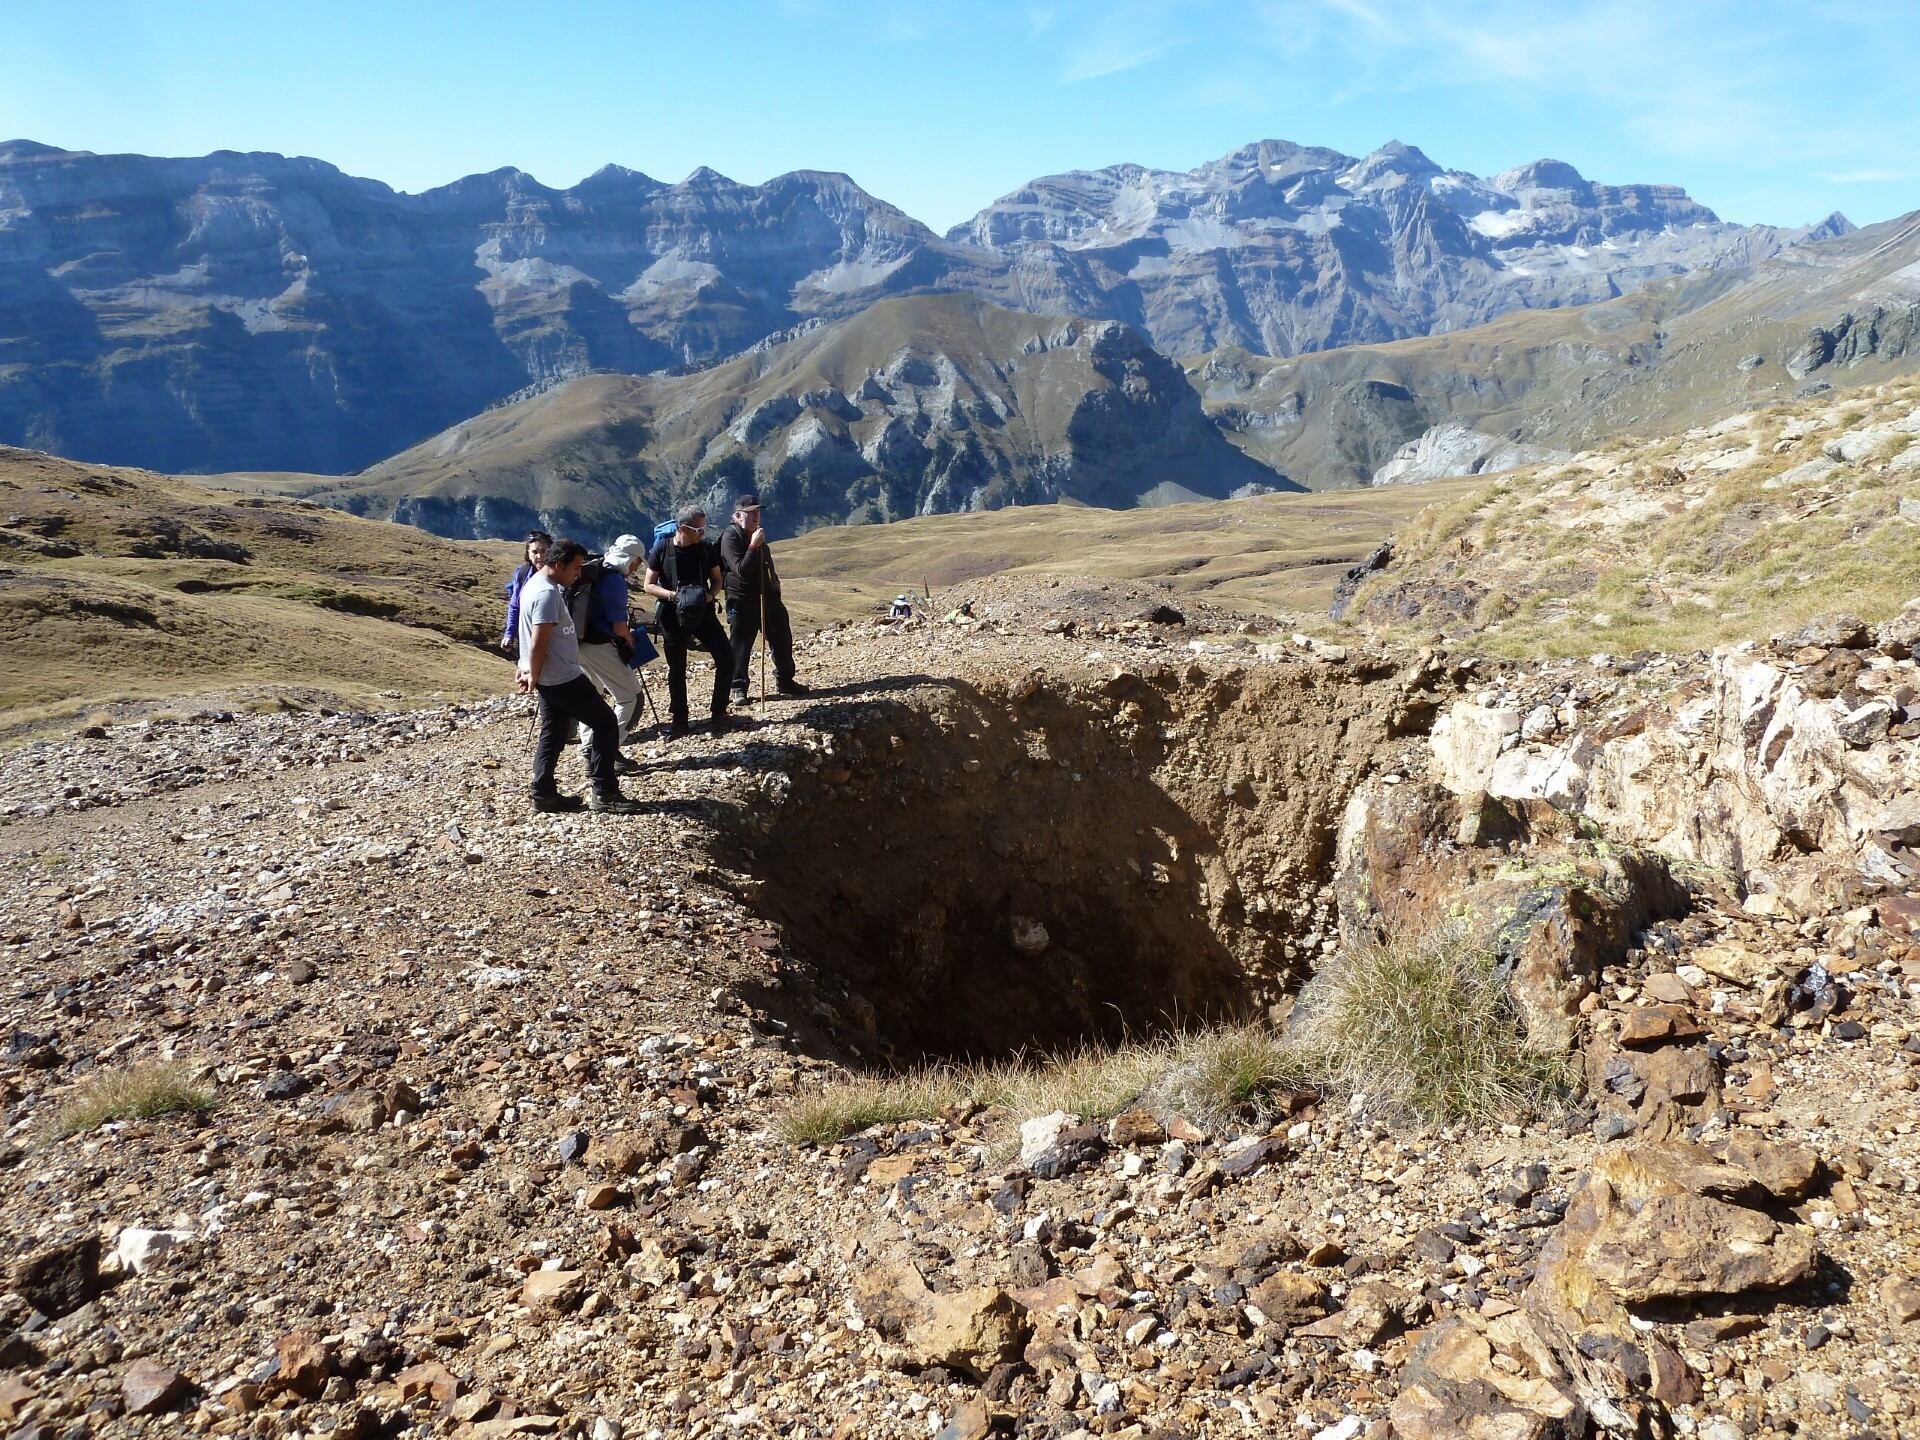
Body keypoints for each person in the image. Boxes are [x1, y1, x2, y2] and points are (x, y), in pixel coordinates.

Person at [516, 539, 640, 814]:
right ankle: (604, 792)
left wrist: (526, 667)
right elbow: (538, 639)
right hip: (562, 676)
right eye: (575, 567)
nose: (578, 573)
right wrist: (532, 674)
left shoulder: (534, 584)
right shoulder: (547, 594)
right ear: (558, 564)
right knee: (606, 724)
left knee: (554, 733)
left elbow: (527, 637)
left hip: (550, 677)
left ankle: (543, 794)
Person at [643, 505, 736, 739]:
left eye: (704, 527)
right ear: (683, 528)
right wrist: (673, 596)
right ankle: (680, 720)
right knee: (677, 669)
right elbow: (648, 585)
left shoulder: (705, 549)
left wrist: (710, 595)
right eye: (699, 529)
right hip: (672, 616)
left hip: (704, 613)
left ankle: (719, 711)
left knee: (726, 656)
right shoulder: (662, 549)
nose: (703, 533)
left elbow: (717, 579)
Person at [719, 493, 809, 705]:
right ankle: (738, 687)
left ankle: (785, 680)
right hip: (742, 601)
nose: (755, 517)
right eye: (750, 513)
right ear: (738, 516)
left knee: (782, 638)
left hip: (768, 598)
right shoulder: (730, 538)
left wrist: (775, 583)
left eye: (757, 512)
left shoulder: (756, 535)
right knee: (741, 645)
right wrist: (753, 546)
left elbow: (765, 563)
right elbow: (742, 570)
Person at [574, 533, 647, 771]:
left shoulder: (595, 570)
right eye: (638, 562)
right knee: (631, 698)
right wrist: (629, 640)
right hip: (601, 645)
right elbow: (618, 625)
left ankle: (588, 747)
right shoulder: (614, 580)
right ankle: (604, 751)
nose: (638, 568)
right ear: (631, 559)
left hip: (579, 643)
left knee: (592, 697)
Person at [501, 530, 554, 656]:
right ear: (528, 554)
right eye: (535, 552)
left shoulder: (558, 575)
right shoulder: (522, 574)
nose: (540, 556)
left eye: (544, 551)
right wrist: (509, 635)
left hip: (553, 640)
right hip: (527, 637)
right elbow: (515, 606)